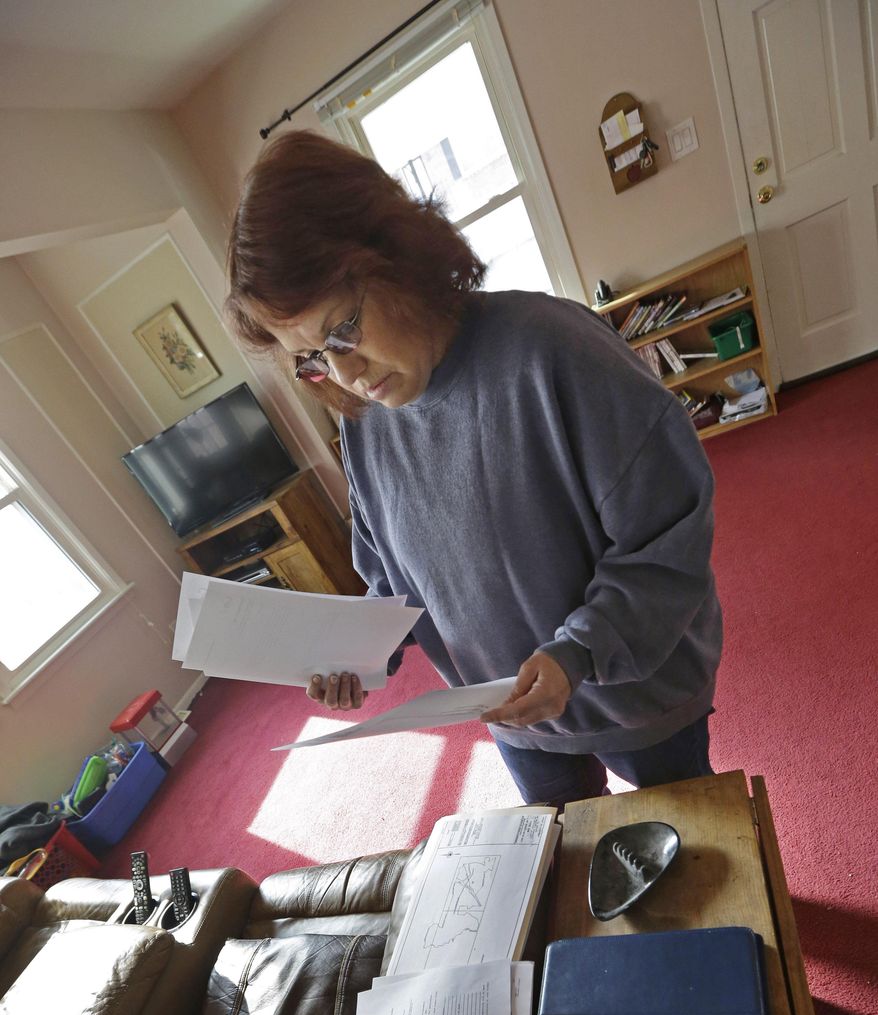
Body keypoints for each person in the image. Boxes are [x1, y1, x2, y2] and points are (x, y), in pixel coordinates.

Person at [225, 130, 722, 810]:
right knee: (566, 864)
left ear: (398, 259)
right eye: (308, 358)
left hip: (636, 694)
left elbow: (670, 538)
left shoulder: (555, 351)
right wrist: (359, 656)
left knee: (702, 852)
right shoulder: (363, 423)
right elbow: (389, 584)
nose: (342, 373)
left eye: (341, 330)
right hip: (515, 719)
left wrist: (577, 654)